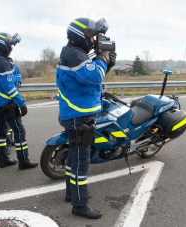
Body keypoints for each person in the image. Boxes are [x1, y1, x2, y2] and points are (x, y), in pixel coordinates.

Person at [56, 18, 117, 219]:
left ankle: (70, 194)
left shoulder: (74, 53)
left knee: (74, 156)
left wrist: (105, 63)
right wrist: (103, 57)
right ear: (80, 35)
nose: (93, 40)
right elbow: (93, 77)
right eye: (92, 36)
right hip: (78, 116)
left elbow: (88, 81)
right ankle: (79, 205)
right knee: (81, 161)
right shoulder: (74, 54)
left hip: (76, 114)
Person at [0, 32, 38, 170]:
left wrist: (18, 81)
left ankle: (3, 160)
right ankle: (24, 161)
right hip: (8, 103)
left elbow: (16, 73)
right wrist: (22, 104)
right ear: (3, 46)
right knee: (19, 132)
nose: (12, 48)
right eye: (10, 45)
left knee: (1, 132)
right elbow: (9, 88)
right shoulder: (3, 62)